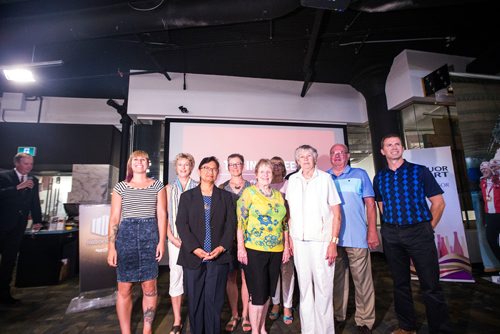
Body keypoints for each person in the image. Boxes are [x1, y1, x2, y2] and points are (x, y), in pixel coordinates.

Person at [373, 134, 452, 334]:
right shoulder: (379, 177)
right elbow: (382, 204)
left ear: (402, 148)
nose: (394, 148)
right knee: (400, 284)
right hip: (392, 234)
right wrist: (393, 223)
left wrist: (428, 228)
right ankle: (407, 327)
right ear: (383, 151)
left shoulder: (420, 171)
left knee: (430, 285)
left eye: (397, 144)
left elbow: (438, 203)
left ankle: (439, 329)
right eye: (389, 145)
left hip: (419, 232)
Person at [107, 150, 167, 334]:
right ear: (130, 164)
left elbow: (162, 214)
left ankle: (147, 329)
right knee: (124, 287)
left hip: (150, 236)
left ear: (148, 163)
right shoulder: (120, 187)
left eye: (142, 159)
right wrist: (111, 246)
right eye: (135, 159)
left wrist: (161, 242)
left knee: (150, 286)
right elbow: (114, 217)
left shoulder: (158, 185)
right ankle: (126, 331)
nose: (139, 162)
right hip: (126, 237)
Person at [176, 156, 236, 334]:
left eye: (214, 169)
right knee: (194, 301)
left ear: (218, 173)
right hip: (193, 257)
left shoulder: (226, 197)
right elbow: (181, 224)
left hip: (218, 257)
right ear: (200, 171)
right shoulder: (187, 197)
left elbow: (230, 225)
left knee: (215, 301)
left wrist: (221, 247)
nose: (210, 171)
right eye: (207, 168)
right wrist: (195, 248)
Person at [285, 144, 341, 334]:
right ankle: (308, 330)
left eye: (309, 156)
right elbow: (289, 213)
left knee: (324, 289)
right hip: (299, 243)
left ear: (315, 159)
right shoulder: (292, 180)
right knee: (305, 288)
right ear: (297, 161)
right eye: (301, 156)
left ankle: (325, 331)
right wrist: (290, 240)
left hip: (322, 242)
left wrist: (333, 242)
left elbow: (337, 214)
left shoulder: (325, 179)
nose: (306, 159)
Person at [327, 144, 379, 334]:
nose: (338, 156)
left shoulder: (360, 174)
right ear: (330, 157)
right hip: (333, 239)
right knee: (337, 280)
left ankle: (365, 320)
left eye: (341, 153)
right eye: (334, 153)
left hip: (357, 236)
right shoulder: (325, 177)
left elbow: (370, 205)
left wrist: (372, 231)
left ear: (348, 156)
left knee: (362, 281)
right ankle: (338, 315)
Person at [237, 159, 290, 334]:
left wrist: (286, 246)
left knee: (267, 292)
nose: (266, 175)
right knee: (257, 295)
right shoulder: (249, 193)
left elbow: (284, 224)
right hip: (254, 250)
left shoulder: (279, 196)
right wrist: (241, 248)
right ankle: (255, 331)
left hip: (276, 250)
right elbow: (240, 224)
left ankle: (262, 328)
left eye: (269, 172)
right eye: (262, 172)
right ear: (256, 174)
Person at [0, 153, 42, 305]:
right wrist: (18, 187)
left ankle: (4, 293)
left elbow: (34, 202)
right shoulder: (4, 177)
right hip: (3, 224)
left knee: (9, 260)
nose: (29, 167)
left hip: (18, 226)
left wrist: (38, 220)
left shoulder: (33, 181)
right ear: (17, 163)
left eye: (31, 164)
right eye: (26, 163)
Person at [165, 153, 199, 334]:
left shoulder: (199, 187)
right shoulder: (168, 189)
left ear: (192, 167)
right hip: (175, 241)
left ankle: (194, 317)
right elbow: (163, 216)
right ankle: (177, 320)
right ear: (176, 167)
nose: (183, 168)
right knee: (176, 278)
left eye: (186, 165)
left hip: (195, 243)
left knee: (194, 279)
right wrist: (170, 236)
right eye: (180, 165)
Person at [218, 153, 252, 332]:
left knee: (246, 278)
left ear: (243, 165)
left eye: (238, 164)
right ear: (227, 167)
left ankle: (246, 315)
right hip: (228, 240)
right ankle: (234, 314)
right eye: (231, 164)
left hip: (248, 240)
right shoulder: (221, 188)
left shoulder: (252, 188)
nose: (235, 167)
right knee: (231, 277)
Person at [268, 156, 295, 325]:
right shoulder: (265, 186)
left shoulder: (290, 185)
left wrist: (290, 237)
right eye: (274, 165)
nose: (277, 167)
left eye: (280, 165)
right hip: (270, 237)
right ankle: (275, 304)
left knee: (287, 272)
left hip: (287, 234)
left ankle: (287, 306)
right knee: (272, 274)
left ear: (284, 168)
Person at [480, 160, 500, 262]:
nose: (483, 170)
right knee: (491, 240)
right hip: (490, 216)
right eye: (481, 169)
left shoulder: (498, 179)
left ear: (491, 169)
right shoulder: (482, 182)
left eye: (485, 168)